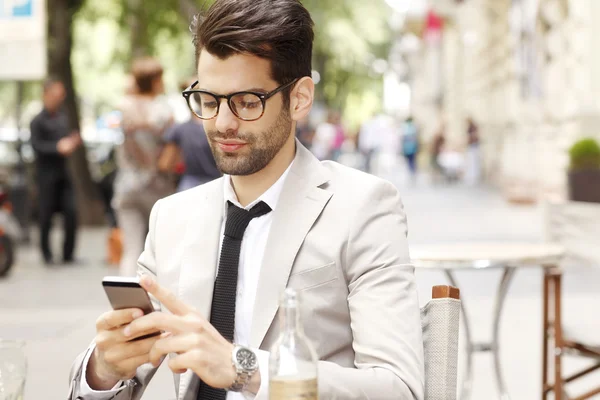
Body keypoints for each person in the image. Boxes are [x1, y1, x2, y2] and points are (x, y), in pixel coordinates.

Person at [67, 1, 424, 399]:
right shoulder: (172, 217)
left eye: (248, 102)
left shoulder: (363, 208)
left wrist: (243, 367)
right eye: (208, 99)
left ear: (300, 98)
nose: (222, 123)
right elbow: (110, 381)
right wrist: (103, 369)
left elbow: (399, 389)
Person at [113, 57, 175, 277]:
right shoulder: (163, 110)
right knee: (164, 248)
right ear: (156, 80)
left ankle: (127, 302)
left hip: (127, 185)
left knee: (131, 250)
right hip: (158, 186)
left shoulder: (123, 107)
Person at [30, 79, 82, 265]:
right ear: (46, 94)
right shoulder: (37, 121)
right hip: (46, 175)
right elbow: (37, 146)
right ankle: (47, 254)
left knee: (71, 212)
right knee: (45, 216)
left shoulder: (63, 117)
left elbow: (68, 138)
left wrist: (72, 142)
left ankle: (68, 254)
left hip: (63, 174)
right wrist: (57, 148)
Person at [158, 79, 222, 192]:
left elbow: (165, 163)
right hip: (218, 183)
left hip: (189, 184)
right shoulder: (221, 127)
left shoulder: (180, 129)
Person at [401, 116, 419, 181]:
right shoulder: (414, 127)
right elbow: (416, 138)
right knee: (413, 160)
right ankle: (413, 172)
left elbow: (402, 138)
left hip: (407, 148)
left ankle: (411, 172)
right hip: (412, 147)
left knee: (409, 161)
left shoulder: (404, 127)